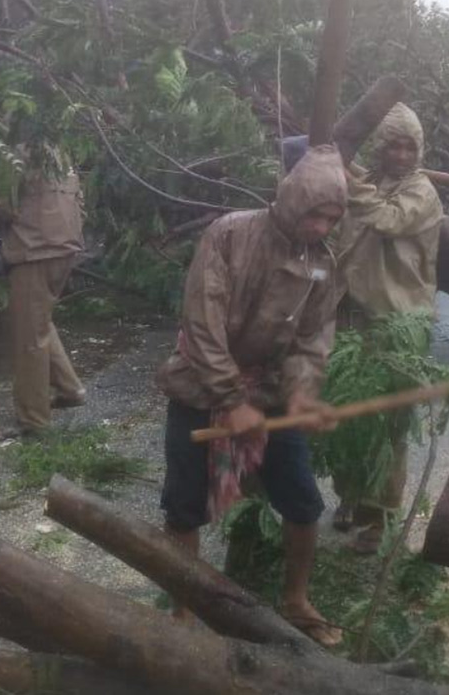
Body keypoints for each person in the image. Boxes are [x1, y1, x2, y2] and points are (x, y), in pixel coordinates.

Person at [157, 144, 348, 647]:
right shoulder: (230, 235)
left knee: (304, 503)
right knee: (183, 507)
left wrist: (303, 394)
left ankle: (296, 601)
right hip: (201, 383)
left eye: (332, 219)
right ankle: (181, 609)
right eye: (316, 215)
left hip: (269, 391)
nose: (322, 228)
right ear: (291, 202)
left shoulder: (323, 262)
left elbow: (312, 338)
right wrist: (229, 397)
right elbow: (202, 322)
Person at [332, 102, 444, 552]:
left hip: (400, 323)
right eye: (393, 145)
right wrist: (336, 162)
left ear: (417, 150)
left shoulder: (422, 191)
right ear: (381, 148)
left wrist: (346, 177)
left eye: (408, 146)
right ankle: (352, 500)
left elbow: (386, 219)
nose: (400, 154)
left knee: (390, 427)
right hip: (352, 317)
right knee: (346, 416)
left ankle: (382, 519)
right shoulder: (373, 182)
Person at [0, 145, 87, 435]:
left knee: (29, 337)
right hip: (65, 247)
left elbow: (4, 205)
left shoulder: (19, 152)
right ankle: (70, 388)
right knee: (39, 322)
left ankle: (34, 420)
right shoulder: (61, 153)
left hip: (34, 250)